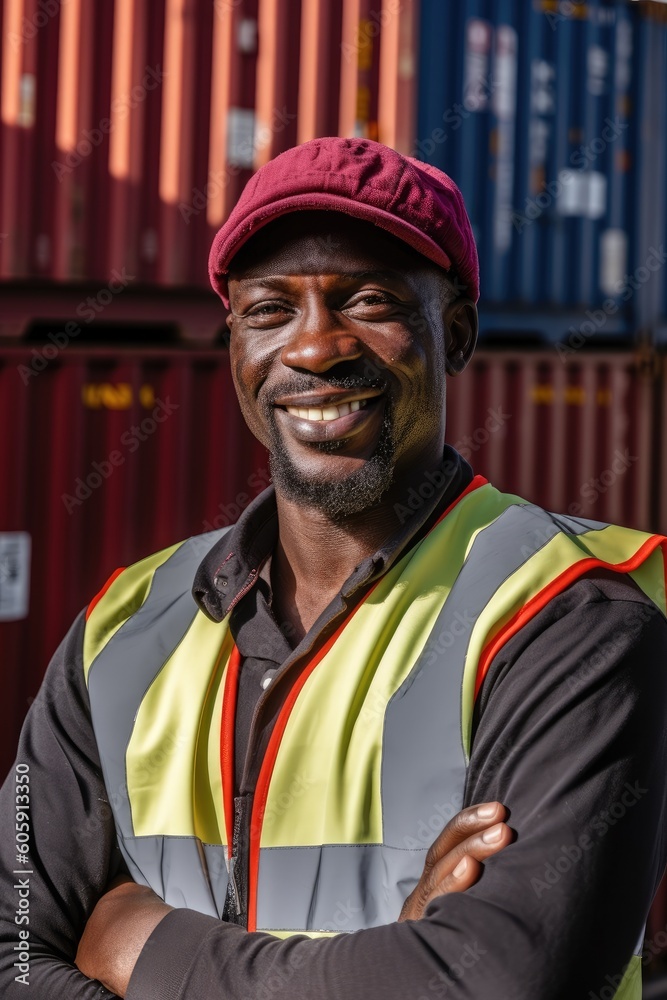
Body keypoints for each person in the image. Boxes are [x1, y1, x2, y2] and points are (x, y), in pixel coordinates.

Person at [1, 137, 667, 1000]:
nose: (315, 348)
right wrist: (393, 953)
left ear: (454, 334)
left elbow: (498, 984)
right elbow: (11, 950)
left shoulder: (572, 621)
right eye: (270, 309)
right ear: (233, 342)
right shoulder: (124, 626)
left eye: (366, 300)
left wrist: (146, 950)